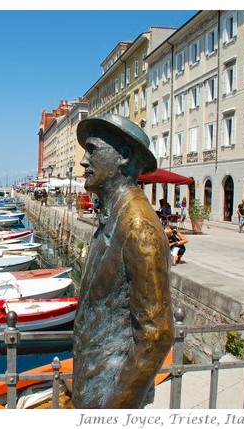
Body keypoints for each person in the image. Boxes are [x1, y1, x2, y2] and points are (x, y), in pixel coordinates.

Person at [72, 113, 174, 409]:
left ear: (123, 157)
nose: (83, 161)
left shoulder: (137, 226)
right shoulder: (113, 216)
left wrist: (116, 409)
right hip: (95, 386)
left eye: (92, 150)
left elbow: (156, 335)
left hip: (111, 398)